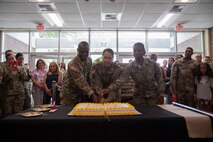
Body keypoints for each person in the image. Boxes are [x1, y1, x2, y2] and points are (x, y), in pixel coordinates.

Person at [60, 41, 98, 106]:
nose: (84, 54)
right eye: (82, 51)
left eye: (86, 51)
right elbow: (80, 80)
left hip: (81, 93)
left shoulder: (89, 60)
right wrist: (92, 94)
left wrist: (95, 90)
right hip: (69, 94)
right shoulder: (72, 64)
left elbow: (90, 77)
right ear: (78, 50)